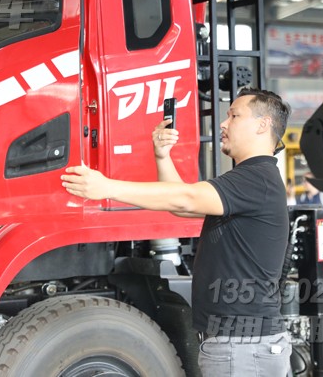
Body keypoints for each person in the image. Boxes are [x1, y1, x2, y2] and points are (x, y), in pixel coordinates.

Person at [61, 88, 292, 376]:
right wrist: (162, 156)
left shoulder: (256, 178)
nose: (223, 123)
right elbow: (183, 207)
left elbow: (186, 198)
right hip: (240, 344)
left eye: (234, 116)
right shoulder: (253, 178)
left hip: (244, 346)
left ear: (262, 125)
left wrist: (107, 187)